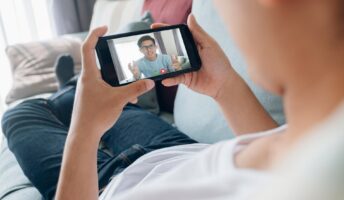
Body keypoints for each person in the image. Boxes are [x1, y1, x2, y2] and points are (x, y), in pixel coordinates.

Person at [1, 0, 344, 200]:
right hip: (169, 147)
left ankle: (69, 89)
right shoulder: (320, 140)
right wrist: (224, 86)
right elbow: (278, 152)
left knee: (21, 113)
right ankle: (71, 88)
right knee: (82, 98)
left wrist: (85, 129)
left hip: (101, 182)